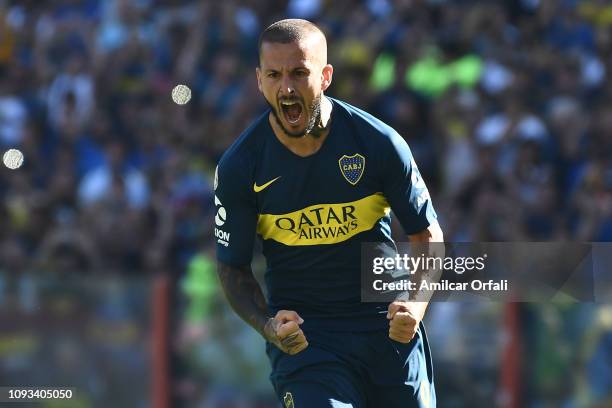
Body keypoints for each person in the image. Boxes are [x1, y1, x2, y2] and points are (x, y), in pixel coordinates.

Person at [214, 18, 443, 408]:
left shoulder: (379, 143)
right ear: (259, 80)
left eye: (299, 73)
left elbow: (427, 237)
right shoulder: (240, 167)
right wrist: (269, 327)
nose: (286, 87)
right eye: (274, 74)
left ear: (325, 76)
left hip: (386, 330)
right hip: (309, 343)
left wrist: (415, 306)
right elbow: (232, 269)